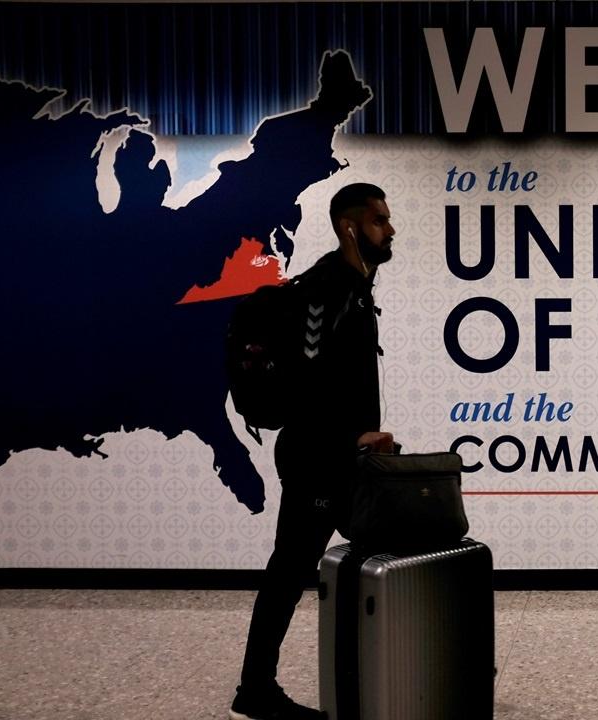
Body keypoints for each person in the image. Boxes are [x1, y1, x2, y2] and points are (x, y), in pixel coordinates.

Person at [230, 183, 399, 720]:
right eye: (378, 220)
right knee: (288, 573)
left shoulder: (356, 288)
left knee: (383, 557)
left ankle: (394, 674)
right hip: (317, 460)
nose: (390, 230)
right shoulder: (326, 290)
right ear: (349, 226)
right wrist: (352, 437)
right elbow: (306, 381)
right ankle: (255, 690)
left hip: (349, 461)